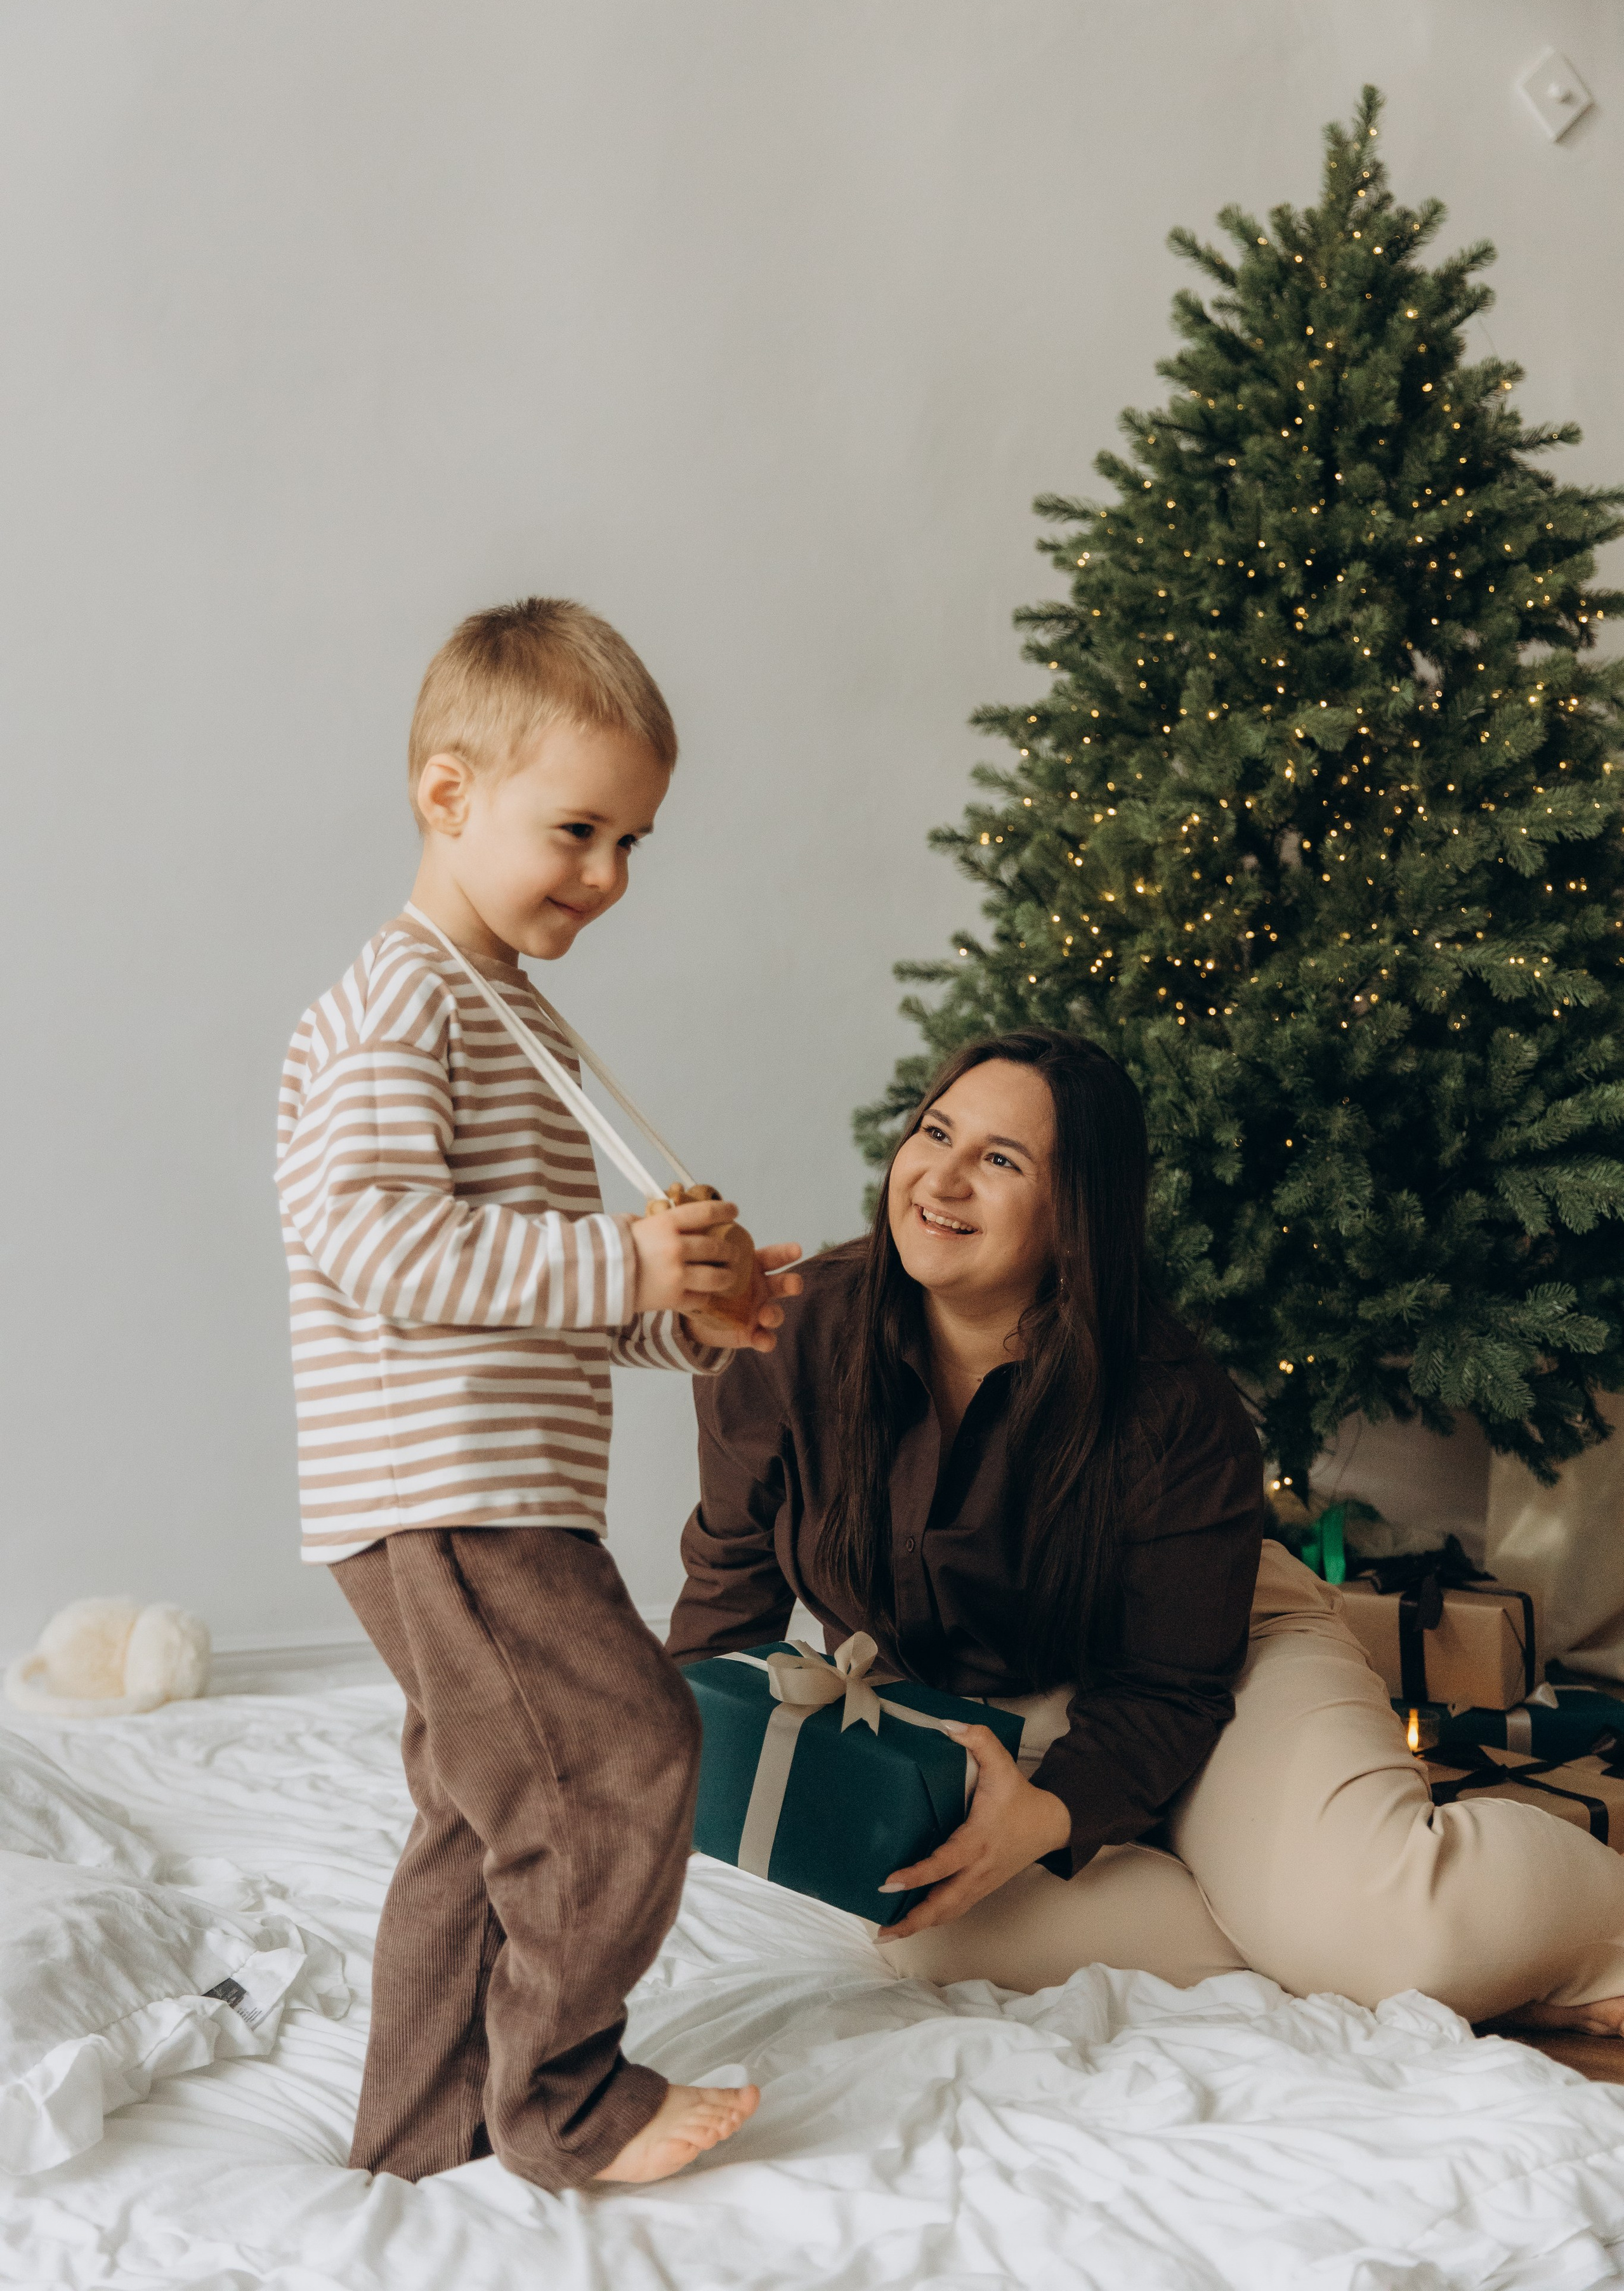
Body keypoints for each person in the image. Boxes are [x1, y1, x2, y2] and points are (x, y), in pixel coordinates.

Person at [667, 1028, 1624, 2032]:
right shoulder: (787, 1333)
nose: (940, 1180)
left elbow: (1172, 1680)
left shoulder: (1168, 1396)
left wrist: (1048, 1814)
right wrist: (673, 1751)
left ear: (1074, 1214)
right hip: (978, 1703)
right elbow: (728, 1593)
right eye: (934, 1133)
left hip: (1210, 1658)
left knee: (1385, 1932)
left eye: (1000, 1160)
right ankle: (1292, 1916)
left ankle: (1576, 1917)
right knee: (926, 1929)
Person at [276, 598, 800, 2193]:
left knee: (480, 1806)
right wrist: (623, 1264)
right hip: (446, 1498)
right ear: (449, 796)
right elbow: (368, 1237)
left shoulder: (513, 1011)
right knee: (623, 1752)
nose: (608, 875)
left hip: (498, 1476)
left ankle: (419, 2128)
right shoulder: (399, 1002)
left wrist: (691, 1318)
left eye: (633, 840)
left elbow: (534, 1299)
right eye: (577, 828)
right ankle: (567, 2103)